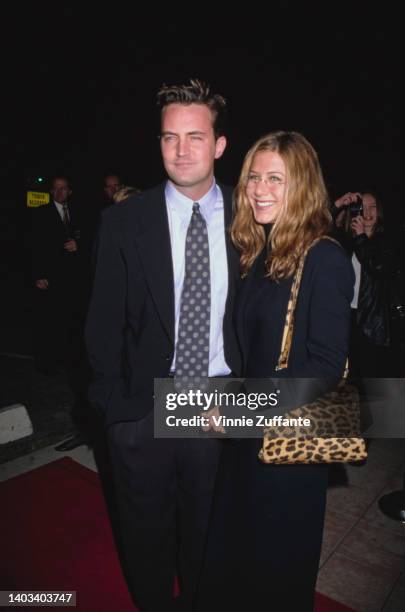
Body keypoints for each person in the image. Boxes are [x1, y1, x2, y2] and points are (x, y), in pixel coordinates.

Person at [85, 79, 241, 612]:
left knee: (210, 535)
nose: (180, 150)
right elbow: (101, 324)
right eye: (169, 137)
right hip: (145, 409)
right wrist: (115, 415)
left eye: (195, 136)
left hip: (219, 405)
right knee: (146, 535)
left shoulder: (253, 220)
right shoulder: (123, 221)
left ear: (219, 144)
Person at [197, 131, 354, 612]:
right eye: (253, 177)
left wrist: (240, 411)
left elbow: (325, 366)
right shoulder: (260, 250)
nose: (260, 189)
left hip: (289, 440)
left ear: (302, 185)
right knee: (239, 552)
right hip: (249, 436)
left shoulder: (323, 256)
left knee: (274, 565)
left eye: (276, 179)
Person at [332, 190, 401, 377]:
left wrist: (361, 237)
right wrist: (338, 205)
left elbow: (378, 266)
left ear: (380, 211)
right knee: (348, 377)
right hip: (346, 317)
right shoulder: (346, 240)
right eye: (363, 207)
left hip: (372, 321)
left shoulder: (386, 241)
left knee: (371, 379)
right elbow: (317, 229)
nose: (368, 213)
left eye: (373, 207)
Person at [32, 175, 82, 374]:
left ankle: (66, 360)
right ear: (51, 191)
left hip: (72, 279)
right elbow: (33, 246)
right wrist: (38, 275)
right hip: (50, 278)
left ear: (70, 191)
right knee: (49, 322)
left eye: (64, 188)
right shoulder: (40, 214)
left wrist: (79, 245)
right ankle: (46, 364)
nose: (61, 192)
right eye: (57, 189)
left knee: (69, 321)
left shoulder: (77, 212)